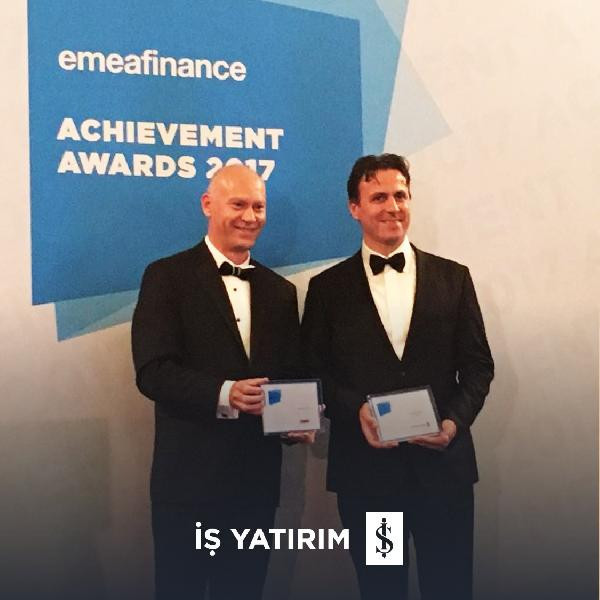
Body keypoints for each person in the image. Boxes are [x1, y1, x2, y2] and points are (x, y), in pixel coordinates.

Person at [301, 154, 494, 600]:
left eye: (400, 195)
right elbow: (313, 371)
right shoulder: (327, 289)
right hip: (370, 481)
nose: (393, 207)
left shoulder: (454, 278)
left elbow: (478, 366)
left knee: (449, 588)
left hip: (442, 475)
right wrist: (357, 410)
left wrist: (453, 423)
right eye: (378, 197)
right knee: (381, 587)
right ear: (354, 208)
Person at [132, 164, 311, 600]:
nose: (250, 216)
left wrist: (298, 419)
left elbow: (288, 376)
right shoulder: (166, 277)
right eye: (238, 204)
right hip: (187, 485)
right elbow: (152, 371)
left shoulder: (281, 292)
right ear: (208, 204)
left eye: (258, 207)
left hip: (256, 486)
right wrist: (225, 393)